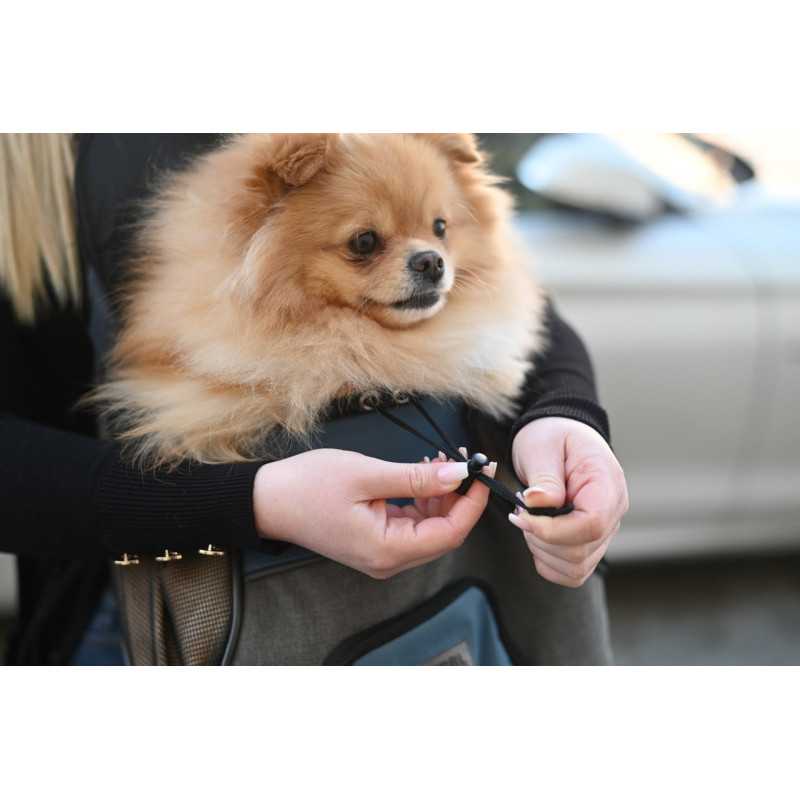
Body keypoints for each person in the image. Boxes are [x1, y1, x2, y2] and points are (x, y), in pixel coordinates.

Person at [0, 133, 629, 665]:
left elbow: (519, 302)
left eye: (437, 230)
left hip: (457, 582)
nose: (430, 257)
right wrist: (256, 501)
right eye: (364, 243)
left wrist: (563, 415)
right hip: (151, 609)